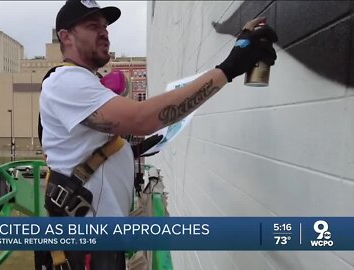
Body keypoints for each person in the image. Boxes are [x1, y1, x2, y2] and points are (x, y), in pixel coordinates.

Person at [39, 0, 278, 269]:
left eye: (105, 26)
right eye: (92, 26)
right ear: (65, 36)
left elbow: (83, 147)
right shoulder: (66, 81)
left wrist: (127, 151)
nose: (104, 32)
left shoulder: (83, 81)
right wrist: (229, 68)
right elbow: (141, 119)